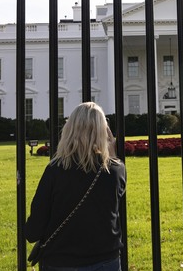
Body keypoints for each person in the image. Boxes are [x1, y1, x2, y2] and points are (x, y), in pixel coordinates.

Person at [25, 102, 126, 270]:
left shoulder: (55, 170)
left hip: (61, 261)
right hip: (106, 260)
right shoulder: (116, 170)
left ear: (69, 130)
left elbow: (34, 229)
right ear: (104, 132)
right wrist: (113, 155)